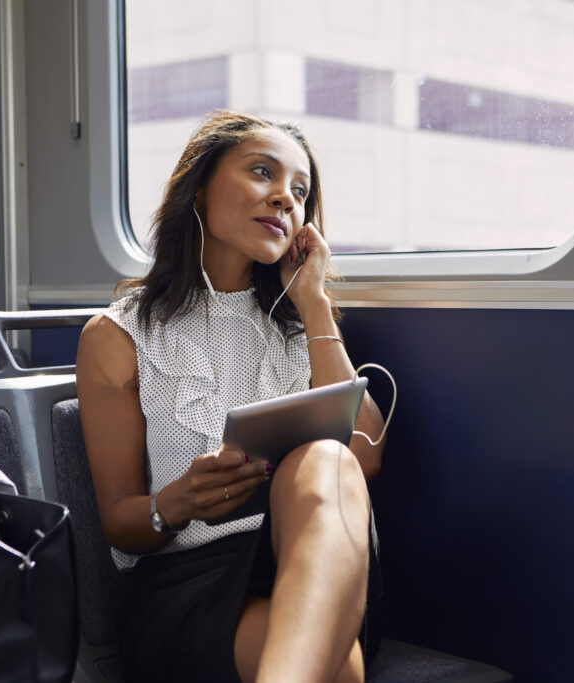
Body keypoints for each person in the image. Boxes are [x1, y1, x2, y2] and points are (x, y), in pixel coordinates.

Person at [76, 110, 386, 683]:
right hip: (189, 588)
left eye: (300, 192)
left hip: (310, 561)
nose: (285, 200)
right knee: (337, 667)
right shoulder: (117, 337)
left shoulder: (298, 327)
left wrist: (314, 304)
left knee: (327, 457)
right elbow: (119, 521)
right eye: (262, 172)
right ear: (199, 187)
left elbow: (363, 454)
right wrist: (181, 501)